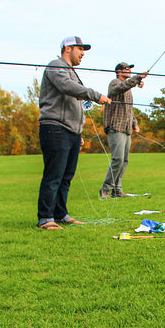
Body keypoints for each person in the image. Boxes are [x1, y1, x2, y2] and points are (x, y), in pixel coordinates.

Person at [36, 36, 111, 230]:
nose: (83, 53)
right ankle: (45, 218)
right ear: (67, 48)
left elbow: (74, 96)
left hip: (71, 132)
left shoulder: (72, 72)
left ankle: (61, 215)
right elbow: (67, 87)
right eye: (80, 48)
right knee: (54, 175)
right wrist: (95, 95)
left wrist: (78, 131)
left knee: (66, 176)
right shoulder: (56, 66)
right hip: (55, 128)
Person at [100, 62, 147, 199]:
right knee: (117, 159)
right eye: (127, 69)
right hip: (116, 127)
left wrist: (135, 124)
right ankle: (105, 189)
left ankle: (117, 190)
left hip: (126, 129)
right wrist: (138, 78)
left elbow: (129, 109)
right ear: (119, 71)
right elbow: (120, 89)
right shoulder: (115, 83)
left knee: (124, 160)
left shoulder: (128, 88)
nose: (130, 71)